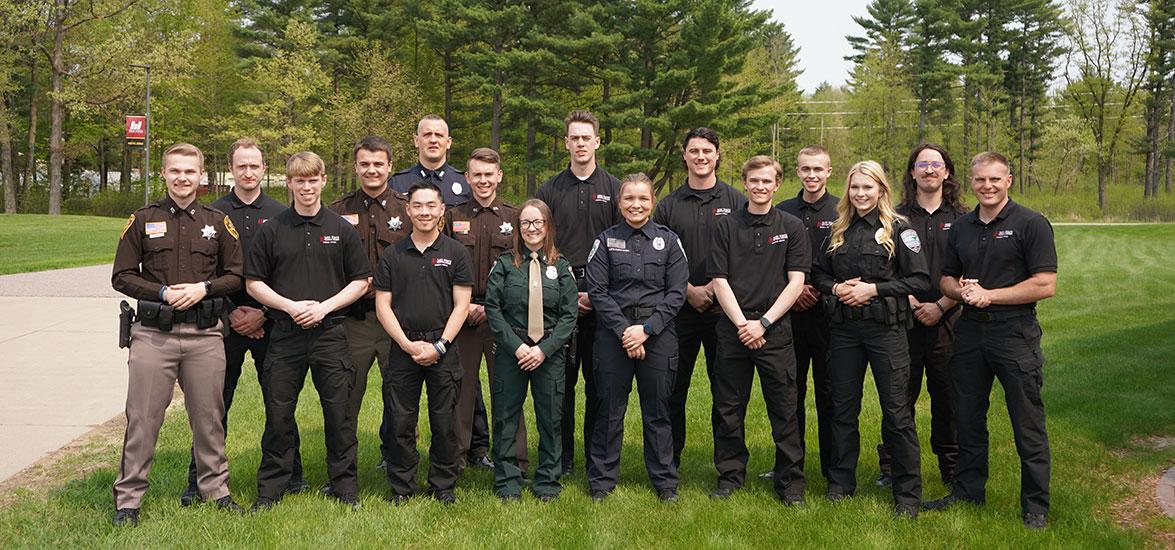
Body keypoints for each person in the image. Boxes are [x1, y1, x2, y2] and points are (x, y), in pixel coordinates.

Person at [111, 143, 245, 525]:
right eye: (175, 171)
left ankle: (216, 491)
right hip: (154, 335)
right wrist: (163, 292)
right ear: (164, 174)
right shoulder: (142, 220)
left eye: (190, 172)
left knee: (209, 418)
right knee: (143, 418)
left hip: (204, 336)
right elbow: (122, 276)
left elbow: (236, 274)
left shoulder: (218, 222)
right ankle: (129, 500)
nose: (182, 178)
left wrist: (204, 288)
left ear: (201, 175)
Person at [925, 152, 1057, 530]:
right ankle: (968, 492)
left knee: (1027, 422)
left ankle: (1035, 506)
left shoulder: (1031, 223)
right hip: (969, 334)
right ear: (971, 181)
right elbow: (946, 278)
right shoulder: (962, 226)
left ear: (1009, 180)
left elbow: (1045, 284)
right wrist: (961, 290)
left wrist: (990, 295)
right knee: (966, 418)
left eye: (995, 179)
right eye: (981, 180)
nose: (987, 186)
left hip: (1014, 333)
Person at [179, 138, 304, 506]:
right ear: (231, 170)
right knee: (213, 406)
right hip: (223, 323)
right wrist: (231, 311)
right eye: (241, 166)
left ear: (265, 169)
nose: (248, 172)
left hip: (273, 323)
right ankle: (198, 481)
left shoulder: (284, 213)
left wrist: (263, 312)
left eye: (255, 166)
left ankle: (291, 475)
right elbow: (205, 271)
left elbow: (289, 272)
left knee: (279, 402)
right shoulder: (212, 213)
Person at [245, 151, 370, 510]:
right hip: (284, 334)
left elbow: (361, 281)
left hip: (330, 333)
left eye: (312, 180)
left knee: (339, 413)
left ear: (323, 181)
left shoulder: (341, 229)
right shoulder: (273, 230)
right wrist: (291, 307)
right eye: (299, 180)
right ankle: (272, 489)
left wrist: (324, 308)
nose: (306, 187)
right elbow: (254, 283)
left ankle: (345, 488)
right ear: (289, 183)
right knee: (278, 413)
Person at [811, 160, 929, 518]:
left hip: (886, 332)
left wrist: (872, 290)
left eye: (868, 187)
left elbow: (921, 280)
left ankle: (907, 495)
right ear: (847, 190)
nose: (860, 194)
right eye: (855, 188)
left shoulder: (900, 230)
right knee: (843, 409)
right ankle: (840, 484)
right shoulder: (837, 229)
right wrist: (834, 287)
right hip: (845, 331)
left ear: (881, 190)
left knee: (896, 412)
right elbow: (818, 273)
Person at [707, 155, 810, 505]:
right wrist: (742, 325)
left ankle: (790, 482)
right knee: (728, 407)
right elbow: (718, 281)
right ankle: (730, 476)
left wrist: (764, 323)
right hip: (733, 328)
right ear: (745, 183)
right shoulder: (725, 226)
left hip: (775, 331)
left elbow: (797, 282)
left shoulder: (792, 226)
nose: (760, 186)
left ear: (777, 183)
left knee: (785, 407)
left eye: (767, 181)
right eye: (754, 180)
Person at [584, 174, 687, 502]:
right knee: (609, 410)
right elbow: (597, 292)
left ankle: (665, 482)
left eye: (642, 199)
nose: (636, 205)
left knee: (658, 411)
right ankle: (602, 481)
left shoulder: (669, 241)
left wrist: (645, 330)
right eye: (629, 199)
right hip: (614, 338)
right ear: (619, 202)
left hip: (657, 337)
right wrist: (626, 331)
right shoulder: (605, 241)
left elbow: (677, 292)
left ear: (652, 201)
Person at [373, 181, 473, 505]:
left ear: (442, 209)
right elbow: (382, 305)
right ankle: (402, 486)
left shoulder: (456, 253)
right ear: (408, 210)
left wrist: (439, 346)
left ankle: (443, 485)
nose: (425, 211)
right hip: (403, 351)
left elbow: (462, 305)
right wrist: (405, 344)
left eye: (431, 205)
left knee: (445, 421)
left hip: (443, 349)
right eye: (418, 205)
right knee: (401, 421)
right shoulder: (392, 254)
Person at [653, 127, 745, 469]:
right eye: (694, 151)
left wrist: (715, 289)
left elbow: (746, 255)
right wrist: (688, 290)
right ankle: (669, 460)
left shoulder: (736, 201)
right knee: (672, 389)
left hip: (726, 310)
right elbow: (657, 258)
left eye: (707, 150)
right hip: (679, 310)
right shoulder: (668, 206)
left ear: (717, 155)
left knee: (727, 393)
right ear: (685, 155)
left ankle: (728, 466)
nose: (701, 156)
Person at [536, 109, 622, 477]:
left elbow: (623, 245)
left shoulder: (615, 189)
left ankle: (596, 460)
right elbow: (540, 243)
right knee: (562, 386)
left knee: (601, 385)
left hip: (605, 300)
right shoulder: (550, 190)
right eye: (575, 137)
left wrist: (599, 294)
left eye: (588, 137)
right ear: (566, 142)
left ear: (597, 141)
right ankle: (563, 458)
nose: (581, 143)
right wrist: (568, 293)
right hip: (560, 300)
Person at [875, 144, 966, 489]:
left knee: (949, 397)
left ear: (947, 172)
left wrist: (941, 305)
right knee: (898, 396)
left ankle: (952, 466)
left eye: (936, 164)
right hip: (902, 320)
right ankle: (892, 466)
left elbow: (970, 271)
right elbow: (883, 267)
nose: (929, 170)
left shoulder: (963, 219)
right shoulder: (893, 218)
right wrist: (912, 300)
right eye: (922, 164)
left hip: (950, 320)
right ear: (912, 172)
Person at [484, 199, 579, 501]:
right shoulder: (504, 264)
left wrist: (544, 350)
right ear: (517, 228)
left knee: (551, 418)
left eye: (538, 222)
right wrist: (518, 347)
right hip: (513, 351)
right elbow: (492, 308)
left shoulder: (561, 267)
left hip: (548, 354)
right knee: (506, 417)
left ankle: (548, 481)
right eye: (525, 222)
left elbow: (569, 315)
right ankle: (507, 481)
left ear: (548, 226)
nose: (532, 228)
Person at [328, 136, 411, 477]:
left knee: (400, 398)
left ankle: (397, 463)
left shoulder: (408, 209)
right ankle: (342, 472)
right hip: (355, 322)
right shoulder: (336, 211)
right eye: (365, 164)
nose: (372, 170)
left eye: (379, 163)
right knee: (346, 399)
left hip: (398, 321)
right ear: (356, 167)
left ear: (390, 166)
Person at [446, 148, 529, 473]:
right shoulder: (452, 217)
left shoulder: (514, 217)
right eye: (476, 175)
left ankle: (515, 464)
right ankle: (453, 462)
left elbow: (521, 271)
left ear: (499, 176)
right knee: (459, 393)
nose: (482, 180)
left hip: (503, 320)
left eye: (488, 174)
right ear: (467, 178)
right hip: (462, 318)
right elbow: (445, 267)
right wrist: (465, 306)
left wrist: (491, 308)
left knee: (507, 391)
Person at [769, 144, 839, 482]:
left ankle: (831, 469)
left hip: (828, 316)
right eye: (805, 169)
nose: (811, 175)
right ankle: (788, 466)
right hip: (788, 316)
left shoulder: (843, 210)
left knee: (830, 394)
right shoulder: (781, 210)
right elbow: (769, 264)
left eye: (818, 169)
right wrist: (794, 291)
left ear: (829, 171)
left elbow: (847, 260)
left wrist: (817, 289)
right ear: (797, 172)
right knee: (788, 395)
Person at [390, 115, 470, 205]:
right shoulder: (397, 183)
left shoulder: (466, 183)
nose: (433, 140)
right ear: (416, 141)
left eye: (439, 135)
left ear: (448, 142)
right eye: (427, 135)